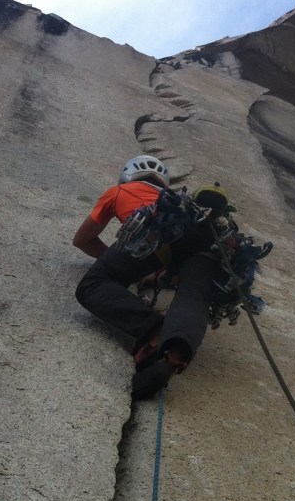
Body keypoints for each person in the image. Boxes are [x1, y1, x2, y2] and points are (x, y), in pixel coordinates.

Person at [73, 155, 224, 399]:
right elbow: (177, 277)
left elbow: (82, 240)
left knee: (93, 286)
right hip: (209, 242)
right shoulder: (183, 203)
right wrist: (154, 274)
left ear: (128, 176)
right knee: (194, 296)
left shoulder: (121, 190)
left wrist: (121, 267)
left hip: (159, 230)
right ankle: (175, 352)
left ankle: (156, 331)